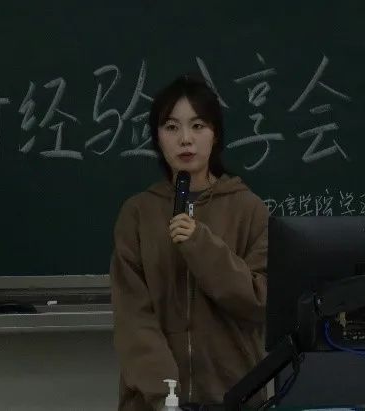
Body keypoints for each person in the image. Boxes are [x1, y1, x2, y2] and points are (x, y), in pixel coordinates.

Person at [110, 74, 269, 411]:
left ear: (215, 134)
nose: (185, 139)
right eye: (171, 127)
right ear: (157, 137)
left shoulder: (248, 209)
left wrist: (201, 245)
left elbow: (259, 301)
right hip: (154, 403)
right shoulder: (138, 214)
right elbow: (133, 318)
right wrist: (164, 395)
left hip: (234, 396)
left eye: (198, 126)